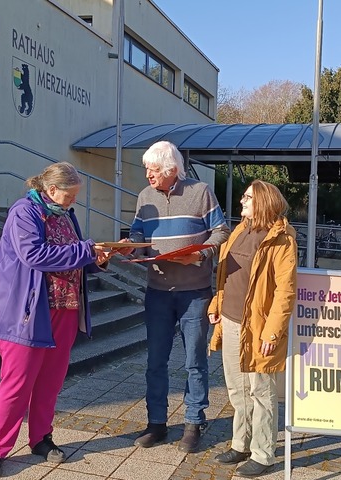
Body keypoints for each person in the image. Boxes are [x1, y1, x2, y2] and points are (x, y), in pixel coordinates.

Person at [0, 162, 112, 477]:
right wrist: (86, 250)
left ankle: (41, 438)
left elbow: (75, 257)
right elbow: (34, 256)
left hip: (65, 308)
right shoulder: (24, 212)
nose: (72, 202)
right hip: (25, 313)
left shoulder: (64, 213)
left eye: (75, 197)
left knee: (50, 382)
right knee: (16, 385)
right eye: (69, 195)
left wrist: (98, 260)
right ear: (51, 189)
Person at [121, 140, 230, 453]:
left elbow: (221, 232)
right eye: (147, 170)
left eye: (152, 170)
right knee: (156, 361)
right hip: (157, 292)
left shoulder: (201, 192)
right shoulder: (144, 197)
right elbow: (139, 235)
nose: (148, 176)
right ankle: (156, 424)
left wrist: (197, 256)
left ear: (170, 169)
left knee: (195, 362)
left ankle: (194, 421)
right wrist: (129, 245)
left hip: (195, 293)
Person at [208, 180, 297, 477]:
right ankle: (240, 443)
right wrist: (216, 307)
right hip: (230, 321)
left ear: (263, 201)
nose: (241, 202)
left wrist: (272, 332)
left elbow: (285, 290)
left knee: (261, 391)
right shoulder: (240, 229)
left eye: (247, 197)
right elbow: (225, 275)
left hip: (259, 327)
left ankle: (263, 452)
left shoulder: (281, 238)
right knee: (237, 387)